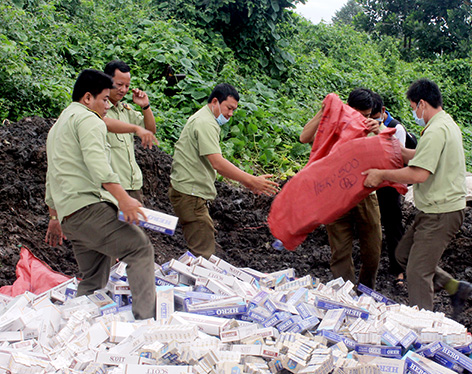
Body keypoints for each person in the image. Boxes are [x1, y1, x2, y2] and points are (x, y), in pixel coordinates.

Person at [44, 69, 156, 320]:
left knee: (94, 276)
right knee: (140, 249)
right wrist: (124, 199)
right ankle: (146, 322)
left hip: (70, 217)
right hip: (90, 209)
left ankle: (73, 326)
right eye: (104, 99)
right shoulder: (89, 120)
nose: (108, 105)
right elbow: (99, 166)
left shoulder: (59, 125)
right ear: (87, 98)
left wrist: (54, 216)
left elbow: (52, 175)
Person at [363, 78, 472, 318]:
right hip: (435, 208)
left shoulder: (435, 130)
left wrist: (381, 174)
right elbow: (415, 155)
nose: (414, 113)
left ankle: (424, 328)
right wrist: (382, 132)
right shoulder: (444, 123)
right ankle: (455, 288)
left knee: (417, 272)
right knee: (403, 255)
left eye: (413, 107)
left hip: (441, 212)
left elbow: (419, 173)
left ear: (422, 103)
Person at [168, 83, 279, 259]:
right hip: (191, 193)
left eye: (234, 110)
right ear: (215, 101)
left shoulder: (205, 119)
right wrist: (251, 181)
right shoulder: (205, 123)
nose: (230, 114)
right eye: (229, 108)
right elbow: (217, 163)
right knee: (202, 254)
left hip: (190, 191)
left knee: (201, 242)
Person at [300, 88, 383, 290]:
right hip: (334, 195)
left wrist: (378, 130)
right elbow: (304, 137)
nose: (363, 119)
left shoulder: (371, 128)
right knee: (340, 251)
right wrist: (323, 111)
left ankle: (366, 290)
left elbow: (392, 151)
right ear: (348, 109)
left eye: (367, 115)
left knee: (373, 249)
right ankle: (346, 294)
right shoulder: (332, 124)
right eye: (359, 115)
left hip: (364, 193)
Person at [104, 60, 156, 203]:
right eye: (119, 85)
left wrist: (145, 106)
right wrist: (134, 128)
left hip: (133, 185)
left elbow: (150, 130)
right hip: (113, 185)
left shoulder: (125, 110)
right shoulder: (100, 109)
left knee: (136, 225)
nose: (123, 90)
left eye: (127, 86)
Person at [370, 92, 406, 287]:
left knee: (393, 225)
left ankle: (398, 270)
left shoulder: (396, 128)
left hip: (390, 183)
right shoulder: (365, 123)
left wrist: (379, 131)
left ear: (383, 112)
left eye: (374, 116)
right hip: (371, 181)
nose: (370, 120)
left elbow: (397, 158)